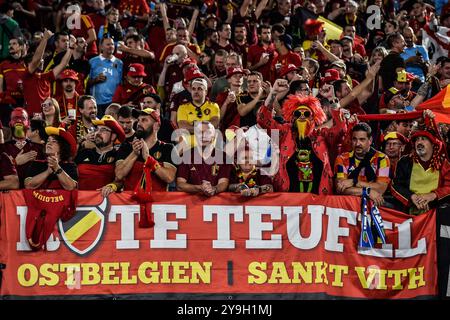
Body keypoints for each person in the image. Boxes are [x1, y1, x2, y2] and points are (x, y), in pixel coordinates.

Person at [257, 79, 347, 194]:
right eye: (298, 113)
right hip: (289, 201)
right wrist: (273, 93)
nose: (302, 116)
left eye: (307, 113)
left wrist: (332, 99)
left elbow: (341, 129)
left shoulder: (321, 135)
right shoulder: (284, 133)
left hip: (318, 202)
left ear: (313, 118)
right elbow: (263, 119)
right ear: (292, 117)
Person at [115, 108, 177, 192]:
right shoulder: (126, 147)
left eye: (144, 120)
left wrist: (148, 158)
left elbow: (169, 177)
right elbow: (119, 175)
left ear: (156, 126)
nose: (139, 123)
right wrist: (134, 154)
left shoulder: (168, 148)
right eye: (139, 120)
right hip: (130, 202)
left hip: (157, 203)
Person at [391, 127, 450, 214]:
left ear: (433, 143)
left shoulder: (443, 163)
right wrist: (412, 197)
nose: (419, 142)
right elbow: (395, 186)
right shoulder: (405, 161)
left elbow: (448, 186)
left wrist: (433, 195)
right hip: (408, 213)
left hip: (436, 213)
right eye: (417, 140)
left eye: (424, 139)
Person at [335, 122, 391, 207]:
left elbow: (380, 189)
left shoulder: (382, 158)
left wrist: (354, 182)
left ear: (370, 140)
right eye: (354, 139)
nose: (357, 144)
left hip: (373, 206)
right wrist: (367, 192)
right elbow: (341, 188)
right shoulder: (342, 159)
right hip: (348, 206)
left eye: (362, 139)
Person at [176, 121, 232, 196]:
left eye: (208, 133)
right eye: (200, 132)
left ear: (214, 136)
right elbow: (180, 184)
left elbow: (223, 183)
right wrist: (200, 188)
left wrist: (214, 189)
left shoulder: (224, 157)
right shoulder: (186, 156)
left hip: (216, 204)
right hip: (192, 204)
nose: (203, 135)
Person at [75, 115, 125, 196]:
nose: (98, 133)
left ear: (113, 136)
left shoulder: (118, 154)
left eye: (103, 130)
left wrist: (113, 186)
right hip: (80, 203)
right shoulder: (84, 152)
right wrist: (81, 142)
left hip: (105, 204)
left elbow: (121, 180)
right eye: (97, 129)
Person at [1, 108, 44, 187]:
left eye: (22, 118)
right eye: (15, 118)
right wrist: (15, 163)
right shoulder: (3, 148)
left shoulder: (40, 148)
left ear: (28, 123)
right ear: (10, 123)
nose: (19, 121)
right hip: (10, 195)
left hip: (33, 194)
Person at [88, 37, 123, 117]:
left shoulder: (119, 63)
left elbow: (120, 83)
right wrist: (95, 80)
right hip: (96, 103)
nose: (111, 46)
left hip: (113, 103)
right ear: (101, 47)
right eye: (108, 44)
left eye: (112, 44)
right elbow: (86, 83)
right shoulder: (93, 61)